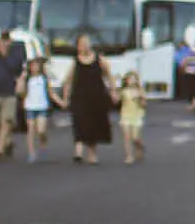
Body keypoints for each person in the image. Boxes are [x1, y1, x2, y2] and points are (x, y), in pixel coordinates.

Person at [64, 32, 115, 166]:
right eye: (81, 44)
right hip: (79, 97)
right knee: (80, 122)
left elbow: (109, 76)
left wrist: (113, 92)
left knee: (93, 125)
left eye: (86, 44)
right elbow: (68, 80)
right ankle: (78, 152)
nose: (84, 47)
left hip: (96, 97)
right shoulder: (75, 62)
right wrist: (66, 97)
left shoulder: (100, 60)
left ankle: (92, 154)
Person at [0, 29, 26, 161]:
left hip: (9, 93)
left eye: (6, 41)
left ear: (10, 42)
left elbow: (20, 72)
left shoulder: (16, 56)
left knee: (7, 120)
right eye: (2, 41)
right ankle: (7, 142)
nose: (4, 44)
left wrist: (20, 83)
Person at [22, 57, 59, 162]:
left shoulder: (44, 78)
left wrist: (60, 102)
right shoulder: (27, 78)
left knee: (41, 129)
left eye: (37, 65)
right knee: (31, 129)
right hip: (29, 106)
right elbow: (20, 91)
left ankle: (43, 138)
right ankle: (31, 152)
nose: (34, 67)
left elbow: (51, 93)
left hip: (42, 106)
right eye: (32, 65)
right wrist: (22, 77)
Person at [117, 71, 148, 164]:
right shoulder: (123, 91)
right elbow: (117, 100)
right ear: (126, 81)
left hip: (137, 116)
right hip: (125, 115)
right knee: (127, 137)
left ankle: (140, 146)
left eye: (133, 79)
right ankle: (129, 156)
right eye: (129, 79)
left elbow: (144, 104)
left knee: (135, 138)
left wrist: (140, 98)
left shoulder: (140, 91)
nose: (131, 81)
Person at [175, 37, 195, 112]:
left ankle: (194, 105)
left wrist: (182, 69)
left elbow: (184, 63)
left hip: (190, 73)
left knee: (191, 90)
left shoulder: (190, 54)